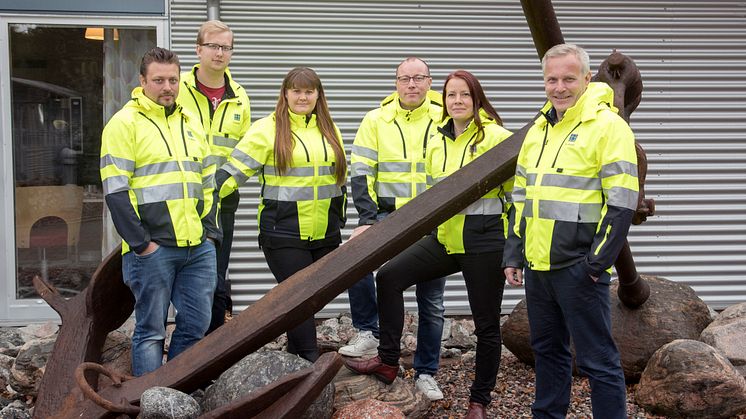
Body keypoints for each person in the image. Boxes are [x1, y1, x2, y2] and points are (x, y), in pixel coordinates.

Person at [345, 70, 512, 419]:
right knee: (389, 277)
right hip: (445, 240)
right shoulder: (437, 142)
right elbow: (426, 200)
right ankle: (389, 361)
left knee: (486, 326)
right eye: (452, 96)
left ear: (476, 99)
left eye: (465, 95)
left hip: (484, 243)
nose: (457, 101)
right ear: (444, 100)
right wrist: (373, 229)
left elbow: (518, 198)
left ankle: (479, 401)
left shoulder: (498, 138)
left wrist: (515, 248)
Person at [503, 43, 638, 419]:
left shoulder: (608, 127)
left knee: (598, 361)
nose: (559, 87)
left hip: (579, 268)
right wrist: (514, 253)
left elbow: (623, 203)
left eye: (568, 78)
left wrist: (595, 264)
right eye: (551, 79)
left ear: (586, 78)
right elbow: (521, 197)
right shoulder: (538, 131)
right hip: (538, 266)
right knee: (547, 352)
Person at [100, 47, 220, 376]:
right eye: (158, 80)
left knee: (196, 324)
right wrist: (142, 244)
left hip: (197, 247)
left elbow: (208, 182)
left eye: (172, 80)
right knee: (151, 332)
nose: (167, 87)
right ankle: (148, 401)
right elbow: (115, 190)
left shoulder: (191, 122)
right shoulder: (124, 124)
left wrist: (209, 234)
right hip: (153, 249)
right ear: (142, 81)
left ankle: (174, 393)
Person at [215, 67, 346, 362]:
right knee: (299, 298)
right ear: (285, 94)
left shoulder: (329, 129)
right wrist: (203, 202)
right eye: (296, 90)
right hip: (283, 233)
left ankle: (291, 361)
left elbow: (339, 180)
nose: (302, 96)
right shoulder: (267, 129)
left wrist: (341, 220)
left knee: (308, 300)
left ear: (318, 95)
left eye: (309, 91)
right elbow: (231, 173)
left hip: (326, 233)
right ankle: (312, 365)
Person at [340, 57, 447, 401]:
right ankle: (368, 332)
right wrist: (368, 219)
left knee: (430, 301)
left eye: (419, 78)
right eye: (405, 79)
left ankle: (426, 373)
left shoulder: (445, 118)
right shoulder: (376, 119)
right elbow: (360, 171)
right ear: (396, 83)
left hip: (433, 222)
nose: (412, 85)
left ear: (430, 82)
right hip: (387, 217)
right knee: (358, 263)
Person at [177, 20, 251, 333]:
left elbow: (246, 154)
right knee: (180, 273)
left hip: (222, 200)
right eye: (213, 46)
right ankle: (185, 341)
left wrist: (223, 185)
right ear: (198, 49)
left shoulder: (240, 98)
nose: (219, 53)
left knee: (215, 273)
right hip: (180, 197)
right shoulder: (175, 88)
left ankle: (211, 346)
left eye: (225, 47)